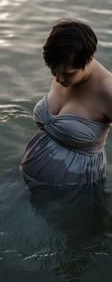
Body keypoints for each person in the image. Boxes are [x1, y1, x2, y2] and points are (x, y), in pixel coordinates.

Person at [20, 19, 112, 190]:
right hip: (31, 176)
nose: (59, 79)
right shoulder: (63, 65)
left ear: (90, 59)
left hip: (75, 189)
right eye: (53, 71)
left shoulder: (108, 91)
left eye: (67, 74)